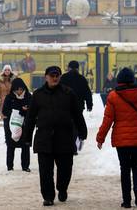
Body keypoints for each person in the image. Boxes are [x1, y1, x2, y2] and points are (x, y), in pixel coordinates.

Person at [23, 66, 87, 207]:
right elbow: (30, 117)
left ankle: (62, 188)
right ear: (46, 77)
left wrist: (83, 131)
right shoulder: (38, 95)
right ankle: (48, 196)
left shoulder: (68, 93)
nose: (55, 78)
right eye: (52, 75)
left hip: (64, 138)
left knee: (65, 169)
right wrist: (27, 137)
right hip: (44, 138)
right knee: (45, 172)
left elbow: (77, 114)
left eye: (57, 75)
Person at [96, 67, 137, 208]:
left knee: (124, 169)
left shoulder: (113, 96)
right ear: (133, 80)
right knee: (136, 166)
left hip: (121, 140)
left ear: (119, 81)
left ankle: (127, 200)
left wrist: (100, 138)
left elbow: (108, 120)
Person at [2, 78, 31, 172]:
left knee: (25, 146)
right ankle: (10, 166)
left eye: (21, 89)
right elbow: (4, 111)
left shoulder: (28, 97)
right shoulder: (9, 97)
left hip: (25, 125)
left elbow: (33, 110)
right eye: (17, 89)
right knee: (10, 146)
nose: (19, 91)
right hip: (11, 126)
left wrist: (25, 111)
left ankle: (25, 166)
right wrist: (16, 112)